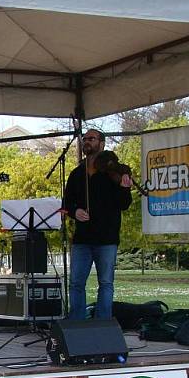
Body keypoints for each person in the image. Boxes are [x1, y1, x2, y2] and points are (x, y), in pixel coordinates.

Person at [62, 129, 133, 320]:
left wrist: (125, 187)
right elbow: (66, 204)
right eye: (84, 139)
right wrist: (75, 211)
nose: (86, 141)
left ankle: (103, 325)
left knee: (106, 283)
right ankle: (77, 324)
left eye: (91, 139)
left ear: (101, 143)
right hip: (82, 238)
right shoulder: (77, 174)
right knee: (76, 283)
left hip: (107, 237)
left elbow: (124, 204)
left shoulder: (112, 172)